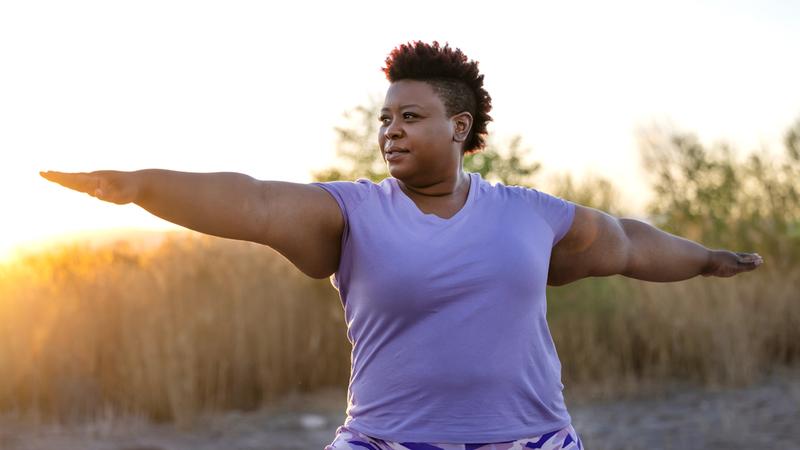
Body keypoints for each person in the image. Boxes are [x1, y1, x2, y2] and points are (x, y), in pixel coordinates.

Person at [41, 41, 763, 450]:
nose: (390, 130)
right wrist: (138, 184)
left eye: (410, 116)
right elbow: (253, 199)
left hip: (530, 440)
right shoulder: (352, 212)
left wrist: (706, 259)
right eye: (384, 118)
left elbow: (628, 245)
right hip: (384, 443)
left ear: (459, 126)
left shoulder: (528, 214)